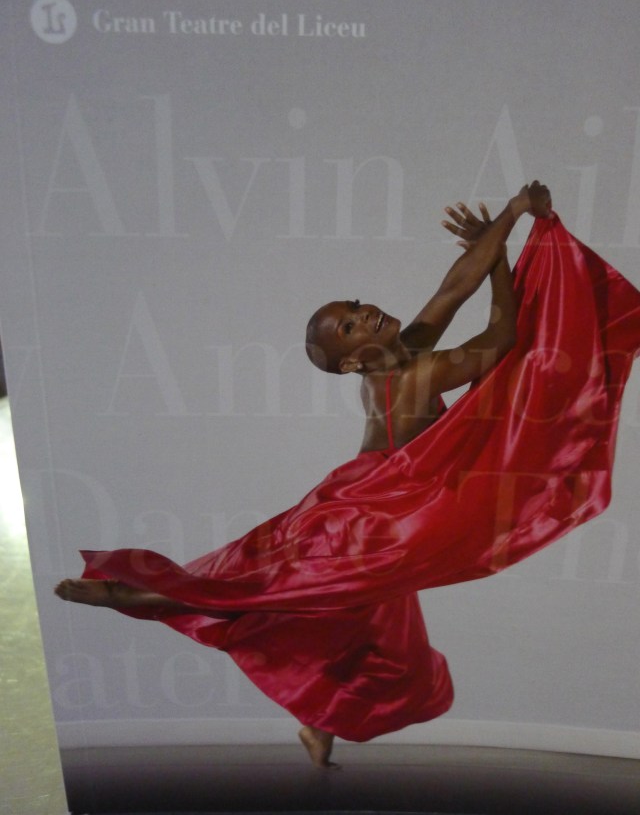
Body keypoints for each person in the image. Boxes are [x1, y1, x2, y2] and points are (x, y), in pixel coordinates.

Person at [55, 181, 640, 768]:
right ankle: (123, 593)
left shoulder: (405, 351)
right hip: (373, 521)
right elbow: (502, 337)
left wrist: (496, 242)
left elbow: (452, 288)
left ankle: (319, 721)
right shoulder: (412, 375)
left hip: (368, 500)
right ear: (355, 360)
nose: (364, 316)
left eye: (355, 309)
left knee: (366, 633)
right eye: (350, 327)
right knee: (262, 587)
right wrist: (510, 218)